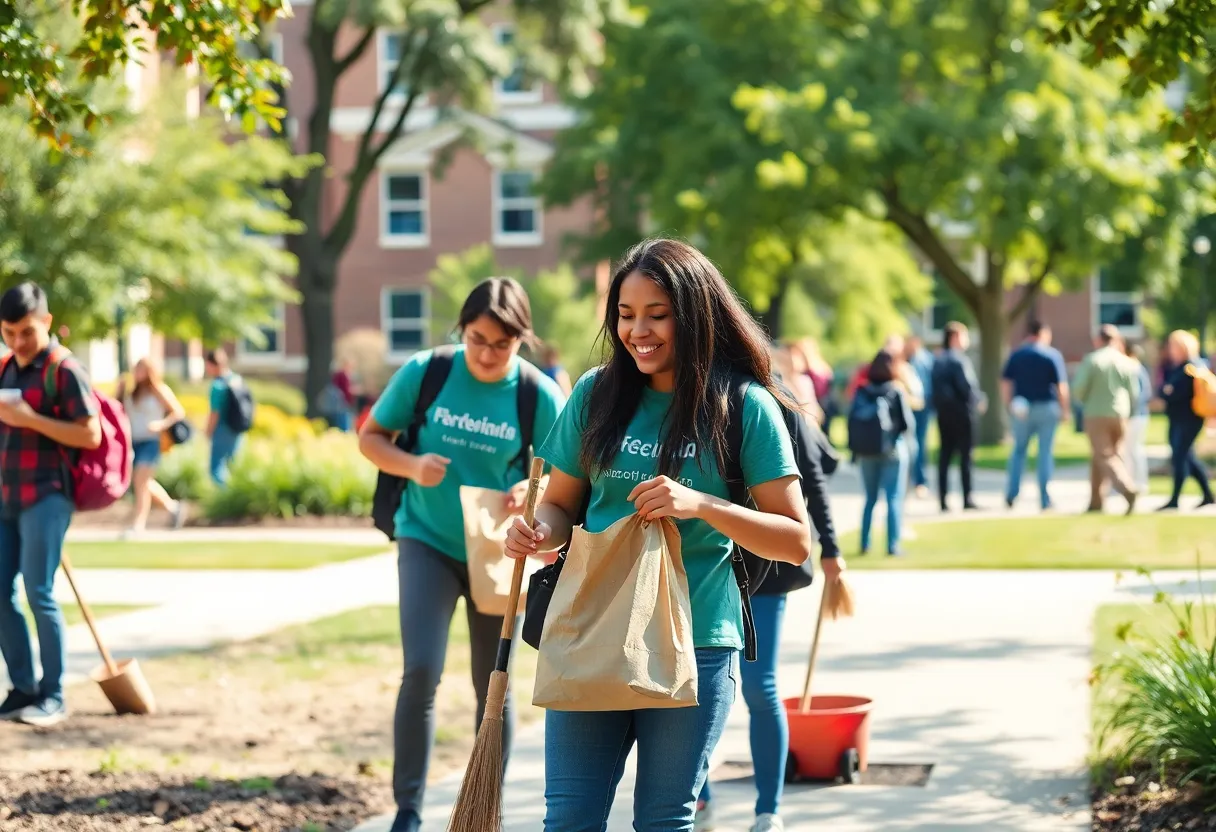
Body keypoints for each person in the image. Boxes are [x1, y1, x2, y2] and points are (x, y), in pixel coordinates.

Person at [504, 239, 813, 832]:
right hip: (592, 630)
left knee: (664, 822)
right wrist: (537, 532)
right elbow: (560, 506)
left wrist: (702, 505)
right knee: (568, 820)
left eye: (657, 314)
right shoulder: (595, 395)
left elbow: (794, 540)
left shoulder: (744, 406)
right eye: (625, 314)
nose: (637, 331)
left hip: (697, 639)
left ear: (695, 316)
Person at [358, 277, 566, 832]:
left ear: (522, 339)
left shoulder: (537, 393)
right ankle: (408, 811)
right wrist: (412, 466)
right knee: (421, 670)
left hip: (497, 551)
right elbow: (371, 436)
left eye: (502, 344)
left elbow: (568, 474)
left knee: (492, 684)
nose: (488, 354)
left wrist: (531, 490)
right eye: (477, 340)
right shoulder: (427, 371)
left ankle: (482, 812)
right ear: (461, 330)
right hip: (425, 538)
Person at [0, 282, 101, 728]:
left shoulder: (65, 370)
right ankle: (23, 688)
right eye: (8, 333)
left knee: (39, 592)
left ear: (46, 321)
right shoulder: (4, 368)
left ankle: (53, 695)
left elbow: (90, 434)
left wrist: (31, 419)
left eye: (26, 331)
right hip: (5, 497)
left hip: (47, 496)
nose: (18, 342)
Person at [850, 350, 915, 556]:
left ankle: (865, 543)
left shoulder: (862, 391)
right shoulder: (895, 391)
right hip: (893, 450)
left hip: (867, 452)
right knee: (893, 498)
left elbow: (852, 421)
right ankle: (892, 545)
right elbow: (906, 424)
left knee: (870, 499)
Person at [1001, 321, 1070, 511]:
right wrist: (1065, 410)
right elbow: (1061, 386)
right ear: (1043, 334)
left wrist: (1009, 405)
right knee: (1045, 452)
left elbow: (1005, 382)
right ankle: (1044, 499)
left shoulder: (1017, 354)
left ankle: (1012, 493)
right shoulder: (1051, 354)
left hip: (1022, 409)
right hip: (1047, 407)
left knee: (1018, 451)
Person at [1071, 325, 1140, 515]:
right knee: (1103, 456)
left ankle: (1127, 489)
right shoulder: (1126, 362)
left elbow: (1078, 388)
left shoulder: (1092, 360)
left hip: (1096, 413)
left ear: (1098, 340)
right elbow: (1134, 392)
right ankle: (1096, 501)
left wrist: (1083, 401)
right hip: (1121, 413)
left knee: (1105, 456)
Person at [116, 358, 187, 533]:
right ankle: (172, 507)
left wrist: (161, 424)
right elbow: (118, 409)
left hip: (150, 440)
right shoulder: (133, 392)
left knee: (141, 481)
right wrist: (120, 391)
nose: (137, 373)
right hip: (133, 441)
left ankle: (138, 524)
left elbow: (178, 412)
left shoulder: (158, 390)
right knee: (142, 482)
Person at [1155, 329, 1214, 510]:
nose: (1171, 350)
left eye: (1175, 346)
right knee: (1187, 457)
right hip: (1177, 418)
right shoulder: (1177, 367)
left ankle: (1175, 499)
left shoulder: (1190, 368)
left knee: (1180, 457)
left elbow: (1175, 393)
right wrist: (1166, 391)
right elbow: (1163, 390)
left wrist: (1167, 391)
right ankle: (1208, 495)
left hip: (1189, 419)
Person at [931, 322, 983, 512]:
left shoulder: (937, 360)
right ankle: (967, 497)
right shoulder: (959, 360)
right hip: (962, 413)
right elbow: (967, 387)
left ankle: (943, 499)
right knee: (965, 456)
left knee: (945, 455)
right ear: (954, 338)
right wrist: (978, 401)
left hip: (943, 414)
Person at [204, 348, 246, 485]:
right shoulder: (237, 379)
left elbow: (215, 412)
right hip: (238, 428)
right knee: (233, 466)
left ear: (212, 364)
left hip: (222, 429)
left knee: (216, 469)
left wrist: (208, 432)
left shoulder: (218, 386)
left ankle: (225, 493)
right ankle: (236, 493)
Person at [905, 336, 935, 499]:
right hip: (911, 406)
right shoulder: (907, 360)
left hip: (922, 405)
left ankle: (919, 480)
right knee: (913, 443)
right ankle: (914, 479)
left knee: (919, 443)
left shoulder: (924, 360)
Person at [1123, 342, 1153, 494]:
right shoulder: (1140, 369)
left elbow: (1141, 395)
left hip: (1136, 415)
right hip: (1137, 414)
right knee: (1130, 450)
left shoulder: (1135, 370)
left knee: (1134, 450)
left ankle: (1139, 483)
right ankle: (1131, 481)